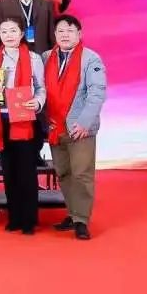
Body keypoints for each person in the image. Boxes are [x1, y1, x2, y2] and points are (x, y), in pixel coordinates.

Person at [43, 15, 106, 241]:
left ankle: (81, 220)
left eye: (70, 31)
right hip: (55, 126)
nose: (65, 35)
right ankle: (72, 213)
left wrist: (85, 122)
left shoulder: (91, 58)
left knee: (81, 174)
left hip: (80, 128)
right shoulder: (46, 57)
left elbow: (97, 93)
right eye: (60, 31)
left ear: (79, 34)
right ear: (55, 35)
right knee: (64, 173)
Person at [0, 18, 46, 235]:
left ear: (21, 34)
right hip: (2, 119)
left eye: (13, 31)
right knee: (9, 171)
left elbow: (41, 87)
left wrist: (37, 102)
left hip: (25, 119)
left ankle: (29, 219)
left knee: (26, 172)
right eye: (4, 31)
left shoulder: (33, 58)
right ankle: (14, 217)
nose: (8, 35)